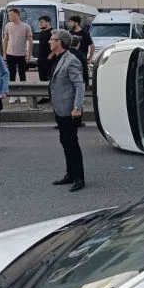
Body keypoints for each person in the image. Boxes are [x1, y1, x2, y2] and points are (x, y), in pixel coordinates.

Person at [49, 30, 86, 192]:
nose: (50, 41)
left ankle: (79, 178)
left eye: (52, 39)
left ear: (59, 42)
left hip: (70, 110)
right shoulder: (58, 58)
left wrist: (77, 107)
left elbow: (80, 85)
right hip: (60, 108)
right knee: (65, 142)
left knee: (72, 144)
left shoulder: (71, 60)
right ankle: (70, 174)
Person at [2, 7, 33, 104]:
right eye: (8, 15)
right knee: (11, 74)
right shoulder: (8, 25)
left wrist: (29, 54)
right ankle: (12, 95)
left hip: (22, 54)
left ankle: (23, 94)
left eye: (11, 15)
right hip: (10, 54)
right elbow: (5, 40)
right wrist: (4, 53)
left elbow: (30, 41)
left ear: (17, 15)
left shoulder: (26, 26)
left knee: (22, 74)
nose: (9, 17)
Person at [37, 15, 54, 83]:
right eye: (39, 22)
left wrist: (51, 54)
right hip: (41, 60)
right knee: (42, 79)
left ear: (48, 22)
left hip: (50, 60)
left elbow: (58, 45)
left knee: (51, 78)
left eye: (42, 22)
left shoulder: (53, 32)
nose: (40, 24)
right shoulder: (41, 33)